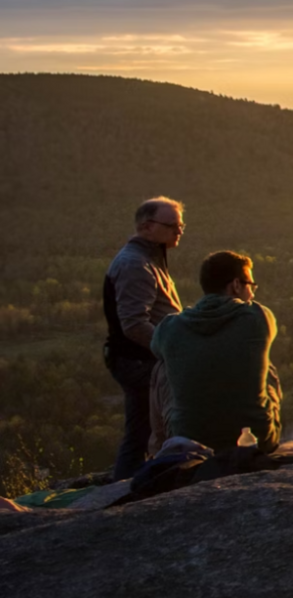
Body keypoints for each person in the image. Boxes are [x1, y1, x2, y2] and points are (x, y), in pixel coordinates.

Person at [150, 250, 282, 452]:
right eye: (251, 286)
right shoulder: (259, 318)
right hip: (257, 441)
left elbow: (155, 349)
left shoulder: (170, 327)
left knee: (161, 367)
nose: (253, 294)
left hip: (189, 442)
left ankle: (160, 451)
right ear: (236, 285)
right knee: (265, 363)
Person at [103, 197, 186, 478]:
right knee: (143, 430)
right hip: (141, 361)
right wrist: (169, 351)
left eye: (181, 225)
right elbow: (135, 324)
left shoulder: (149, 259)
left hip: (142, 359)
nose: (179, 230)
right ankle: (127, 492)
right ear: (146, 227)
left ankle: (130, 485)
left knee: (143, 429)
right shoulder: (135, 265)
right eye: (172, 225)